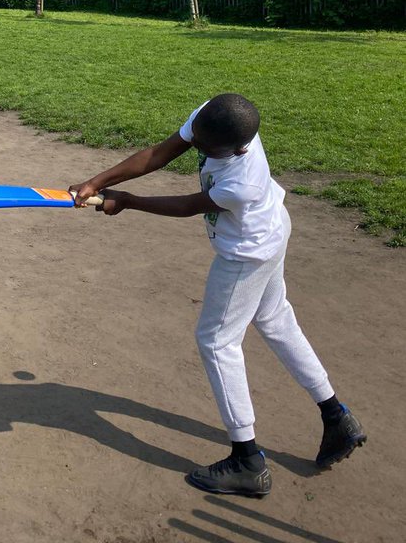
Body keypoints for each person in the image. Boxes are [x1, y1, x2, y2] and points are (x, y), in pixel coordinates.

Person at [71, 92, 366, 498]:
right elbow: (161, 152)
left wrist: (128, 202)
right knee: (276, 319)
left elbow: (191, 204)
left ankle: (247, 460)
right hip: (274, 227)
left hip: (249, 251)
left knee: (216, 341)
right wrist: (98, 182)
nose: (200, 150)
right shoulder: (215, 117)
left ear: (240, 147)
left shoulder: (242, 181)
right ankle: (336, 416)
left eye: (209, 150)